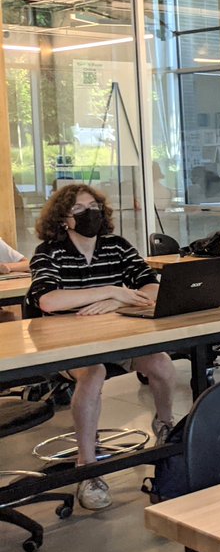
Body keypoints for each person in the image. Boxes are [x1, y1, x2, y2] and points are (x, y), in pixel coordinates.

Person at [25, 185, 177, 511]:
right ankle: (88, 465)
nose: (89, 214)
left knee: (162, 363)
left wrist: (113, 299)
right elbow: (49, 300)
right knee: (92, 373)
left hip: (116, 340)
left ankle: (166, 430)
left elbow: (152, 288)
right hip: (67, 347)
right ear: (64, 219)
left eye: (93, 206)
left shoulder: (116, 247)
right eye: (79, 209)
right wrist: (111, 290)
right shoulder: (49, 252)